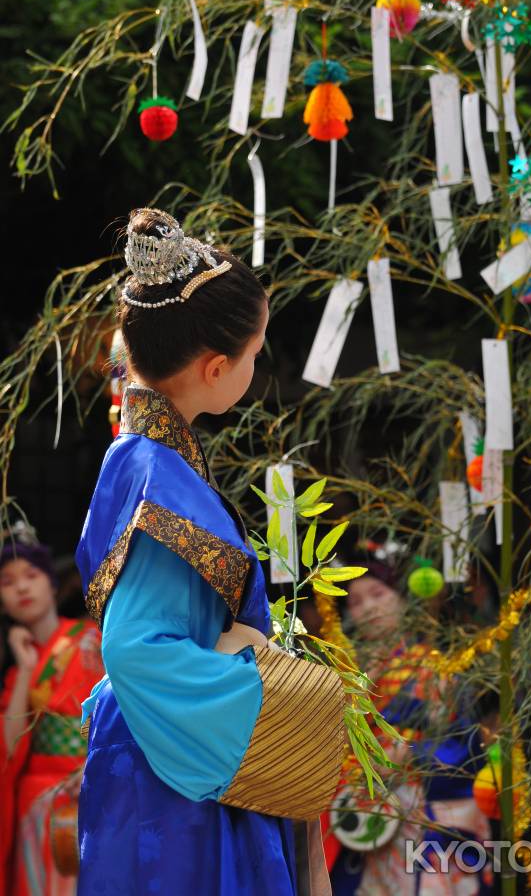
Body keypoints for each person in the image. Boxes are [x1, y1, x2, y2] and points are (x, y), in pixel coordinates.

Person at [75, 208, 345, 896]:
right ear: (218, 366)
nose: (256, 366)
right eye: (256, 354)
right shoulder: (159, 477)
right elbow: (136, 650)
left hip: (167, 751)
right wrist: (276, 681)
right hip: (175, 784)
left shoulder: (142, 458)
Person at [324, 547, 493, 895]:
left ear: (402, 601)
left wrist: (411, 757)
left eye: (377, 594)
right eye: (355, 602)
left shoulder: (432, 667)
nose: (368, 608)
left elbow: (462, 743)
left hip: (423, 806)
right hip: (363, 807)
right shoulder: (343, 673)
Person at [0, 526, 104, 896]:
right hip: (35, 800)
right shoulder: (18, 671)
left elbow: (118, 712)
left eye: (31, 576)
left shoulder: (92, 640)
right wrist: (27, 668)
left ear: (52, 585)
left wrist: (91, 767)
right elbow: (9, 749)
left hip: (88, 788)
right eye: (8, 582)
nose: (22, 588)